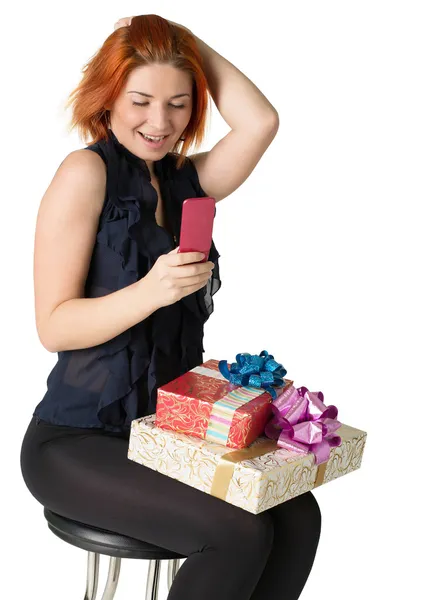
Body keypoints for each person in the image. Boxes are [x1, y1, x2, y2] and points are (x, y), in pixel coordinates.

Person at [20, 15, 321, 600]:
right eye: (140, 100)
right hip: (78, 440)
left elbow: (261, 121)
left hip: (164, 434)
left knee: (296, 515)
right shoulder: (85, 173)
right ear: (109, 95)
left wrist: (179, 39)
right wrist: (150, 291)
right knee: (236, 533)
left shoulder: (189, 180)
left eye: (179, 104)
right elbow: (52, 325)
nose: (159, 122)